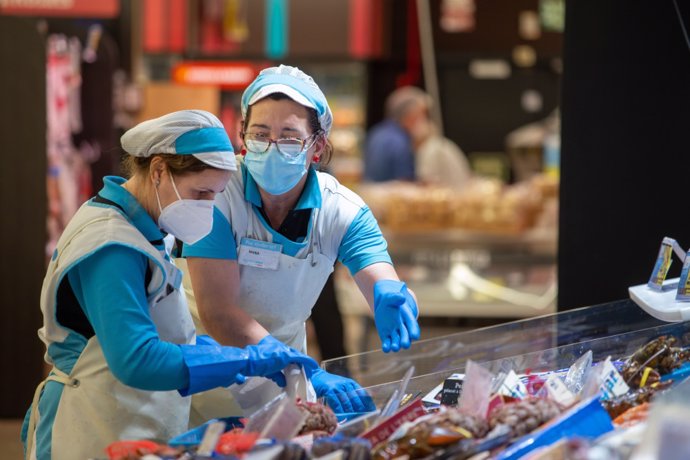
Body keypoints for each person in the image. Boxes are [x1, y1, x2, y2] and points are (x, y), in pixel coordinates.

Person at [21, 110, 318, 460]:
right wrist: (242, 362)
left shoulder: (147, 229)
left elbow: (163, 334)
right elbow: (137, 359)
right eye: (202, 193)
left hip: (129, 422)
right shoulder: (111, 244)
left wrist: (256, 360)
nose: (209, 208)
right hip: (88, 427)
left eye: (217, 195)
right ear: (159, 170)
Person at [181, 65, 421, 416]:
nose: (273, 148)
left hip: (283, 383)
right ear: (243, 135)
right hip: (203, 374)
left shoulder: (342, 210)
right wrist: (304, 369)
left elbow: (381, 277)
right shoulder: (216, 195)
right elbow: (219, 313)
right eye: (260, 134)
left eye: (290, 137)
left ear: (317, 146)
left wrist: (396, 296)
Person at [363, 86, 432, 182]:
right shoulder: (400, 141)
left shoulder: (376, 132)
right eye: (422, 114)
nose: (424, 120)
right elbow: (405, 181)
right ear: (410, 115)